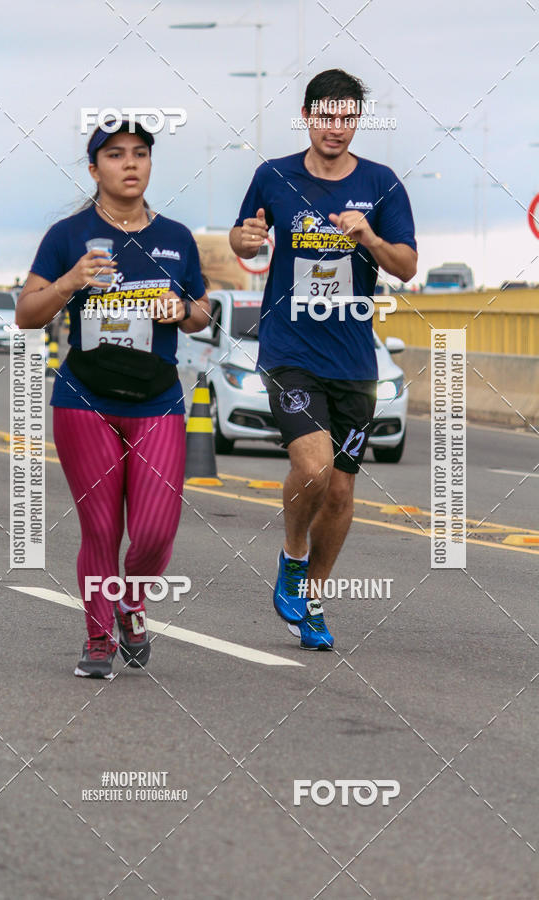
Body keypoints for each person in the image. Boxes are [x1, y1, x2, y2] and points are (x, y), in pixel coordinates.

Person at [230, 69, 417, 650]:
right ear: (308, 116)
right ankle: (292, 557)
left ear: (357, 120)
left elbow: (407, 266)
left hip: (355, 359)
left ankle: (312, 598)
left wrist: (369, 240)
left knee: (338, 491)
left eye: (347, 118)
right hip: (290, 350)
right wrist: (246, 240)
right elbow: (242, 238)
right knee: (311, 468)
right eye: (325, 116)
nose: (335, 128)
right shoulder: (274, 177)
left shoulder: (382, 184)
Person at [16, 117, 210, 678]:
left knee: (153, 530)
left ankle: (131, 600)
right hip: (85, 400)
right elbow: (28, 314)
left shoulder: (175, 238)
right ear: (95, 167)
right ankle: (98, 637)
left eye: (141, 153)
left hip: (157, 401)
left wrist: (184, 311)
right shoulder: (68, 236)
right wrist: (70, 280)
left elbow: (201, 312)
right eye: (116, 154)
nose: (130, 164)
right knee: (100, 529)